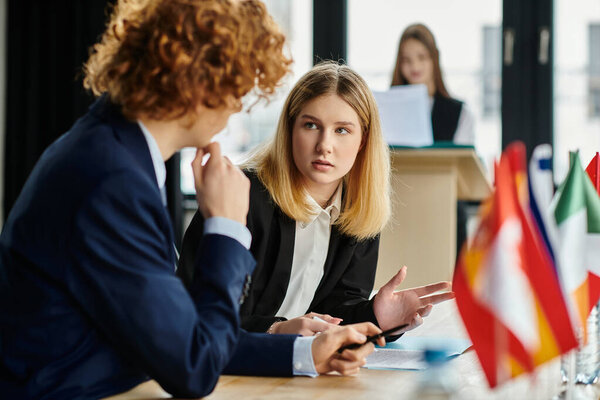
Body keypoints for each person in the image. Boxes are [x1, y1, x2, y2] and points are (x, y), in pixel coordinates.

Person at [0, 2, 383, 399]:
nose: (238, 104)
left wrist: (303, 352)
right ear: (198, 80)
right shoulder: (112, 180)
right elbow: (193, 367)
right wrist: (228, 229)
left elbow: (179, 338)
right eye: (237, 84)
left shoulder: (113, 150)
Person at [179, 62, 454, 337]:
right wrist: (275, 330)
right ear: (290, 129)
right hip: (225, 369)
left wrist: (377, 316)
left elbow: (335, 312)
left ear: (363, 141)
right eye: (311, 125)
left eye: (342, 130)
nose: (324, 145)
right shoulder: (239, 194)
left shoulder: (359, 209)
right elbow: (195, 314)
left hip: (296, 370)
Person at [391, 23, 475, 256]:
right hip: (399, 210)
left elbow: (464, 169)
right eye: (407, 60)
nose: (414, 66)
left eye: (421, 57)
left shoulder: (460, 112)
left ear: (434, 59)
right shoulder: (386, 108)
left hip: (444, 211)